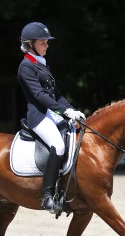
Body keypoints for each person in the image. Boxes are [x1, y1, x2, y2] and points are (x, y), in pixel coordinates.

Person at [17, 22, 85, 214]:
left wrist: (72, 110)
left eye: (47, 42)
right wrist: (63, 112)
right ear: (30, 44)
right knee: (59, 145)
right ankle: (47, 196)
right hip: (39, 117)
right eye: (43, 42)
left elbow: (56, 94)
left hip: (51, 114)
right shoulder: (26, 67)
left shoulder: (42, 64)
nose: (47, 45)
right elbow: (39, 96)